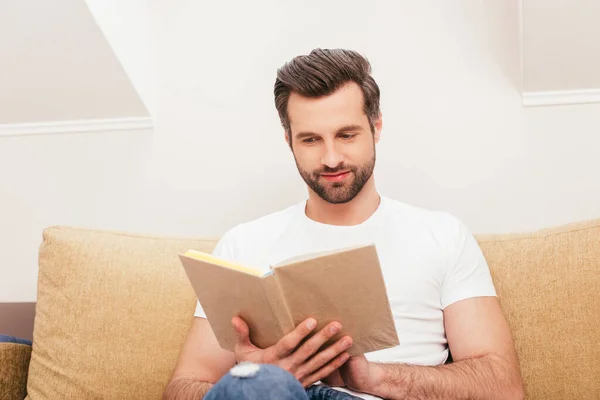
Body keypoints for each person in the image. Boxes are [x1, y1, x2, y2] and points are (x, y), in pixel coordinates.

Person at [163, 48, 524, 400]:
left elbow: (503, 388)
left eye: (346, 135)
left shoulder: (442, 236)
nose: (331, 158)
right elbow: (182, 387)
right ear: (289, 140)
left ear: (376, 126)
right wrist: (257, 378)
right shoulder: (243, 244)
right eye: (311, 140)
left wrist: (375, 378)